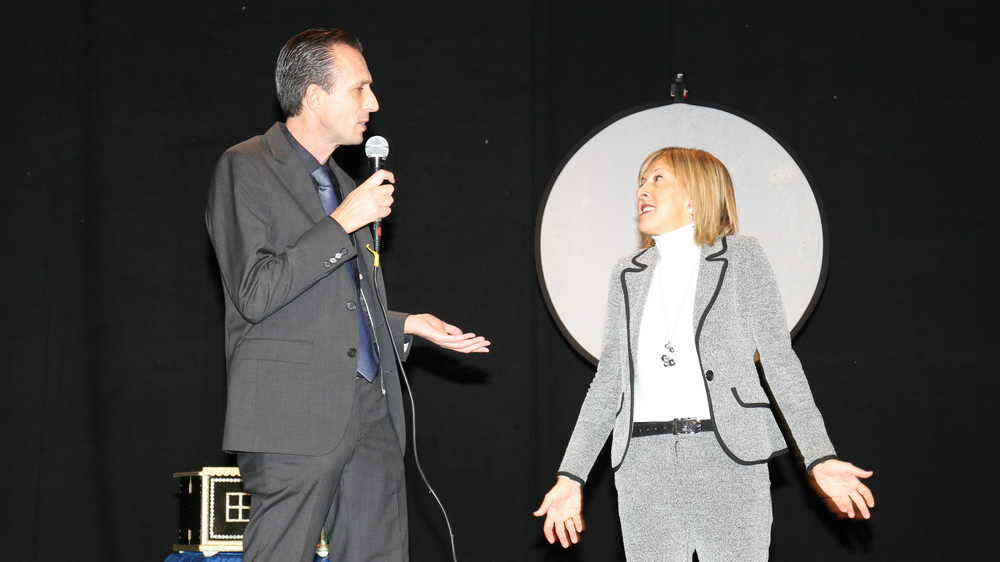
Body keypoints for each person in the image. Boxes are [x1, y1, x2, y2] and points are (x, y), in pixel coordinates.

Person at [205, 28, 490, 562]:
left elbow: (335, 302)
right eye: (361, 89)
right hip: (291, 413)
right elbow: (256, 291)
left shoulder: (341, 180)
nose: (374, 104)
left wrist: (404, 324)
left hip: (369, 407)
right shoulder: (246, 166)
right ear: (314, 96)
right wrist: (341, 224)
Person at [533, 147, 874, 560]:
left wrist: (819, 456)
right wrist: (572, 476)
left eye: (658, 178)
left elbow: (781, 364)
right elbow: (608, 383)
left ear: (696, 195)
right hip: (644, 465)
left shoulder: (743, 258)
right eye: (641, 181)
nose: (643, 189)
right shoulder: (627, 273)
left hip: (727, 456)